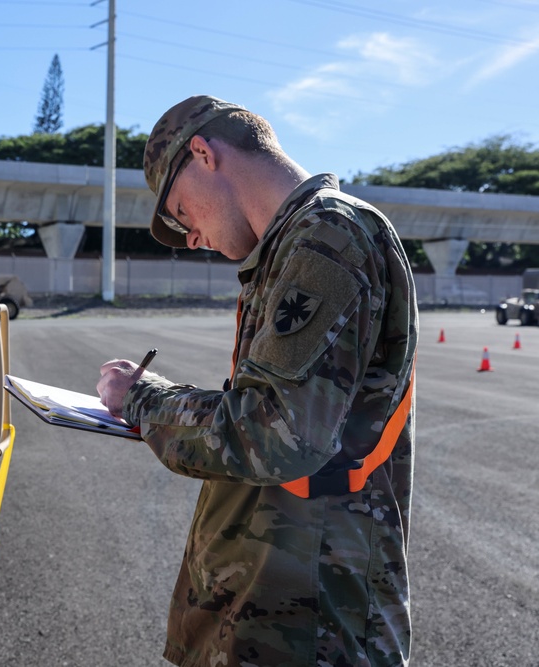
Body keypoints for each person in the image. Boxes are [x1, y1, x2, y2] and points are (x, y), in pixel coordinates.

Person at [97, 95, 418, 666]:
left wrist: (144, 400)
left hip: (311, 622)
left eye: (179, 211)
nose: (190, 237)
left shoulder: (328, 238)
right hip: (278, 608)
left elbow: (276, 431)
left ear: (203, 153)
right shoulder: (294, 245)